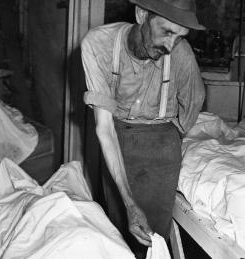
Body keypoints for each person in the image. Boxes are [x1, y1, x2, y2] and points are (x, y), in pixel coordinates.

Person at [80, 0, 205, 257]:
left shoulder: (181, 54)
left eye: (180, 36)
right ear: (141, 14)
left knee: (153, 236)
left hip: (161, 145)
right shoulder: (97, 45)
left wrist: (169, 136)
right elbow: (104, 128)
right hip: (116, 138)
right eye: (167, 32)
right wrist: (129, 203)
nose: (171, 45)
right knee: (117, 230)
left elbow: (193, 101)